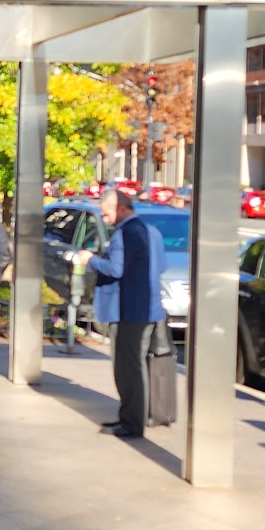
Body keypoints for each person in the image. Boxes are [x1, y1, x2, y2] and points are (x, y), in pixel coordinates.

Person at [75, 187, 164, 439]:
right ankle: (133, 417)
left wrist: (90, 259)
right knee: (135, 364)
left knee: (127, 367)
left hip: (128, 309)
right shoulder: (151, 231)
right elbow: (161, 266)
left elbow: (115, 269)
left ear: (122, 209)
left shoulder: (125, 233)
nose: (105, 220)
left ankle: (131, 423)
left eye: (107, 214)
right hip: (147, 307)